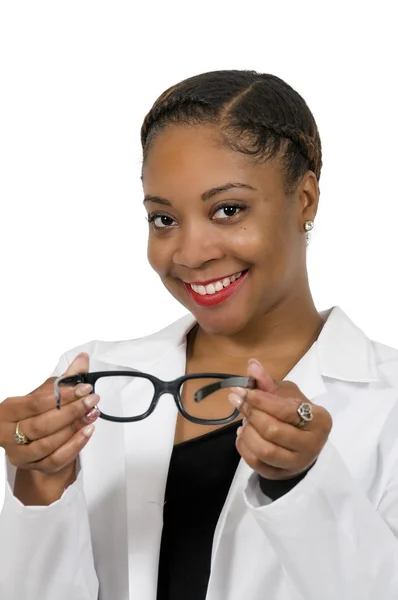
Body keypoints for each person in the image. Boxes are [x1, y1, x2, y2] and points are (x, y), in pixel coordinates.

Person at [0, 70, 397, 600]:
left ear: (304, 199)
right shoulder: (94, 386)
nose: (188, 254)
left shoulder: (387, 406)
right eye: (163, 219)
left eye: (227, 210)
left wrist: (302, 483)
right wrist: (41, 486)